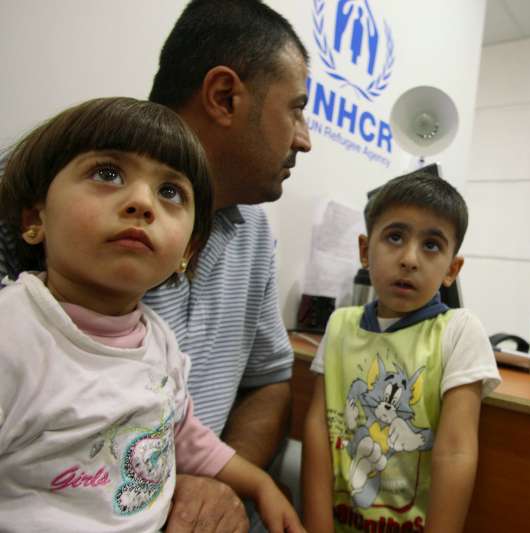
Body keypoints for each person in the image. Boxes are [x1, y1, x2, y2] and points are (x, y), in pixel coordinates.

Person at [0, 1, 312, 529]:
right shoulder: (19, 307)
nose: (304, 137)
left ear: (187, 249)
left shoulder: (250, 239)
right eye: (296, 109)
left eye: (171, 192)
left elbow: (264, 382)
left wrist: (217, 480)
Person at [301, 171, 501, 532]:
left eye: (431, 245)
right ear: (365, 250)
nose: (410, 258)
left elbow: (456, 452)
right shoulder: (340, 325)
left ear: (452, 270)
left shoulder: (459, 332)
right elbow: (318, 427)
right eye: (395, 237)